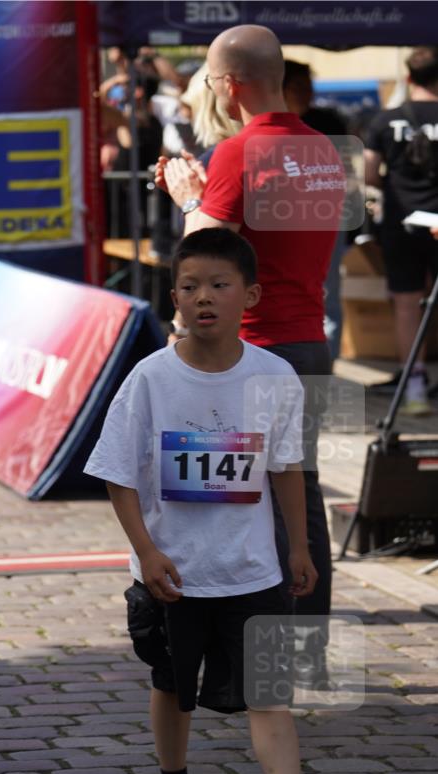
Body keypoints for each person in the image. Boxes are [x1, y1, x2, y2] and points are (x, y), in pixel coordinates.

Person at [85, 228, 340, 774]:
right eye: (190, 286)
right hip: (173, 573)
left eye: (219, 285)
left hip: (252, 571)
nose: (204, 298)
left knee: (269, 694)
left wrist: (299, 549)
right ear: (174, 296)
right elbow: (116, 473)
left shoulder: (274, 375)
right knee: (172, 685)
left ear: (248, 295)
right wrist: (146, 552)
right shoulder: (149, 378)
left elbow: (287, 467)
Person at [155, 26, 344, 687]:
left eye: (209, 81)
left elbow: (204, 255)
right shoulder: (321, 147)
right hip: (309, 341)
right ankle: (300, 650)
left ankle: (235, 648)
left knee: (228, 494)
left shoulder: (241, 150)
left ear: (229, 84)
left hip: (254, 350)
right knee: (300, 494)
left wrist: (188, 199)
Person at [365, 46, 438, 415]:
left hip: (402, 221)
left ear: (408, 78)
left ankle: (414, 386)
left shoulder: (385, 120)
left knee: (406, 304)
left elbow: (367, 172)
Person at [283, 60, 350, 361]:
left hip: (324, 222)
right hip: (281, 225)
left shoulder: (328, 123)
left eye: (309, 87)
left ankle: (325, 371)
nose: (307, 94)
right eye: (299, 88)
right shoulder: (264, 126)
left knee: (326, 298)